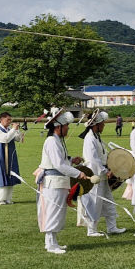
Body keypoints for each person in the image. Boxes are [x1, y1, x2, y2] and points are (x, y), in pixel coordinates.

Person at [36, 108, 88, 254]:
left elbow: (61, 161)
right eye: (66, 126)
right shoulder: (52, 141)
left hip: (58, 181)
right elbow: (58, 164)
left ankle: (52, 242)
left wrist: (72, 160)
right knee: (53, 211)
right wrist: (78, 173)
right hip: (53, 182)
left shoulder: (56, 140)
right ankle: (51, 245)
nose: (68, 128)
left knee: (57, 211)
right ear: (58, 127)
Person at [79, 109, 126, 236]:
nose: (104, 125)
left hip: (102, 174)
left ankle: (112, 227)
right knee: (94, 201)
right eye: (103, 123)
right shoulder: (90, 139)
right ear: (96, 125)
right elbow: (93, 160)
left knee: (108, 200)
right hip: (95, 175)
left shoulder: (96, 137)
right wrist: (105, 171)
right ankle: (91, 229)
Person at [0, 112, 24, 205]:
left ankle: (8, 198)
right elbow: (5, 139)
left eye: (10, 120)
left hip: (11, 156)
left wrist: (17, 131)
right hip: (2, 156)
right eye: (8, 120)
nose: (9, 121)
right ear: (1, 120)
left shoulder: (9, 129)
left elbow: (17, 139)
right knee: (2, 175)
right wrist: (13, 130)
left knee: (11, 174)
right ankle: (0, 199)